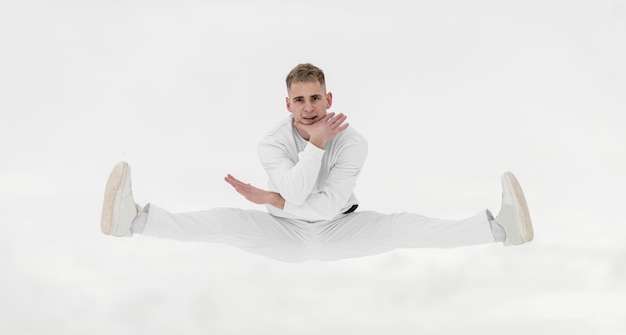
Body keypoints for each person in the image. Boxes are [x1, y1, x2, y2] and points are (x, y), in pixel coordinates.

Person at [100, 63, 534, 262]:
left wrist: (275, 192)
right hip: (281, 232)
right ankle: (131, 222)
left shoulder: (354, 142)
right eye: (299, 100)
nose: (308, 108)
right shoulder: (271, 143)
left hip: (341, 229)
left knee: (407, 226)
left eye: (315, 98)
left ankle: (501, 229)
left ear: (329, 98)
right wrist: (310, 153)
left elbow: (325, 207)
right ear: (286, 104)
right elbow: (296, 196)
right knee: (221, 222)